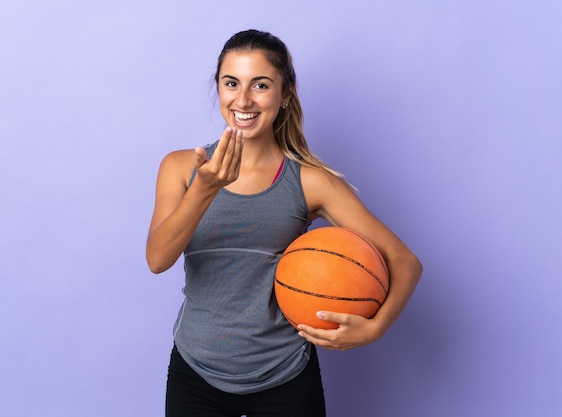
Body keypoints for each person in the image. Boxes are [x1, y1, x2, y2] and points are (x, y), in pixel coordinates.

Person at [146, 29, 422, 417]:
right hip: (196, 371)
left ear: (285, 93)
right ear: (219, 88)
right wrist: (205, 188)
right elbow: (158, 259)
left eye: (260, 85)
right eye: (231, 83)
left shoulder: (309, 181)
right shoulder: (180, 168)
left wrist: (375, 329)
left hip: (285, 374)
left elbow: (405, 260)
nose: (243, 100)